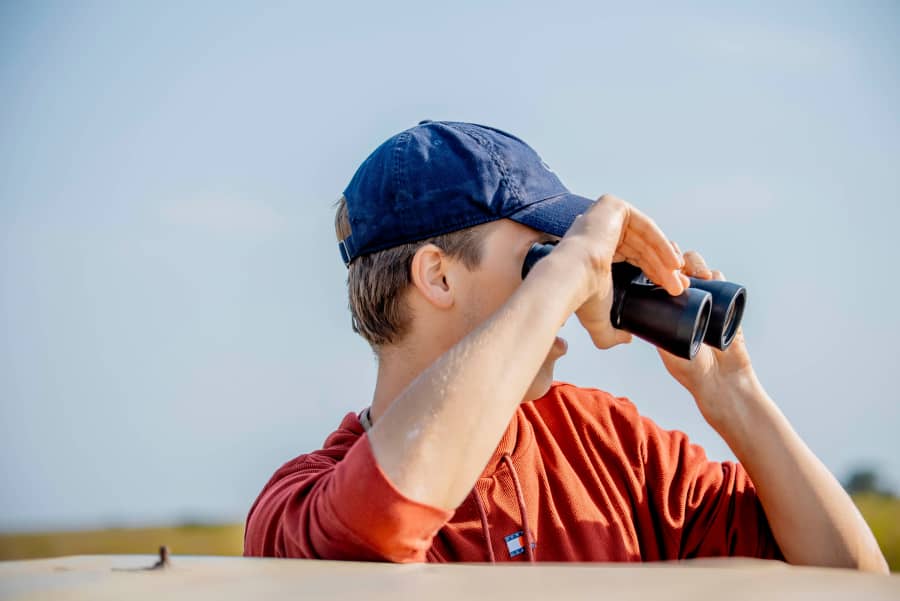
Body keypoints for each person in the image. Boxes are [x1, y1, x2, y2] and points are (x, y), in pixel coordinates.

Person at [243, 121, 887, 571]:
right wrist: (568, 267)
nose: (575, 289)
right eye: (538, 259)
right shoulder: (294, 506)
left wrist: (735, 395)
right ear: (437, 275)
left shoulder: (611, 446)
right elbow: (387, 511)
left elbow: (847, 578)